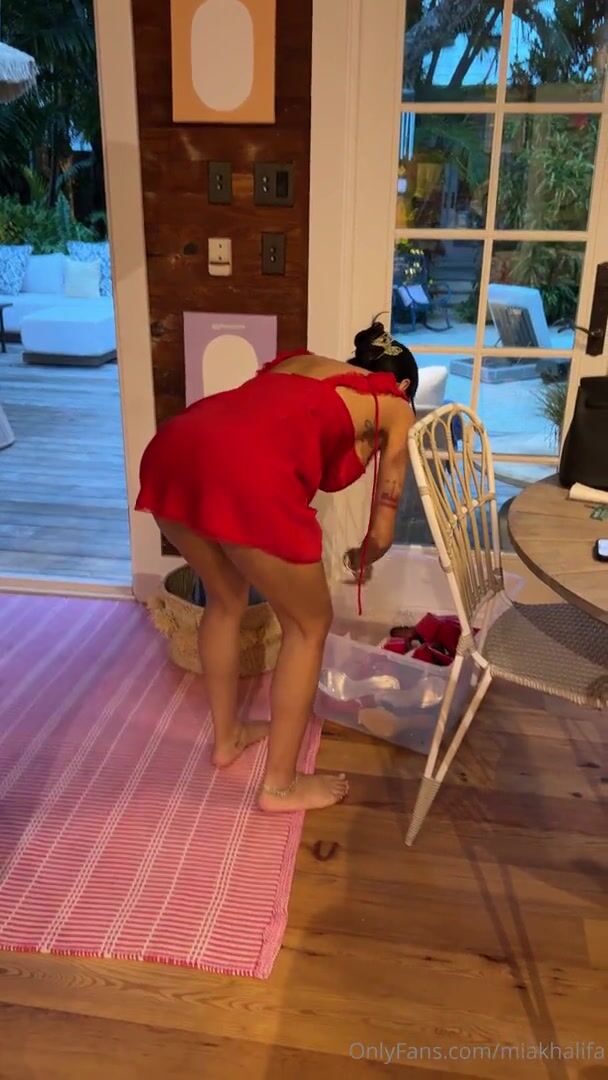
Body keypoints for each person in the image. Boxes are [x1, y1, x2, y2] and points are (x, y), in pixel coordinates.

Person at [135, 318, 418, 812]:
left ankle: (228, 739)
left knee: (225, 599)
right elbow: (381, 533)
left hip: (173, 449)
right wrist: (363, 556)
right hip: (245, 473)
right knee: (310, 626)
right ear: (406, 385)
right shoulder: (395, 405)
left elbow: (256, 427)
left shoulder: (297, 363)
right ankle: (281, 786)